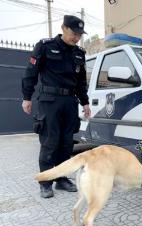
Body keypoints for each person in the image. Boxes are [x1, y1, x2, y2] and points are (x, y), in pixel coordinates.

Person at [21, 15, 91, 198]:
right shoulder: (45, 46)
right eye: (74, 33)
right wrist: (26, 97)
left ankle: (61, 179)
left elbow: (80, 82)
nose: (76, 37)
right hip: (49, 101)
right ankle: (45, 182)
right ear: (63, 28)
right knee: (49, 142)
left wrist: (85, 102)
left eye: (79, 34)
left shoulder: (79, 53)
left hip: (69, 102)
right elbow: (31, 72)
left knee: (66, 143)